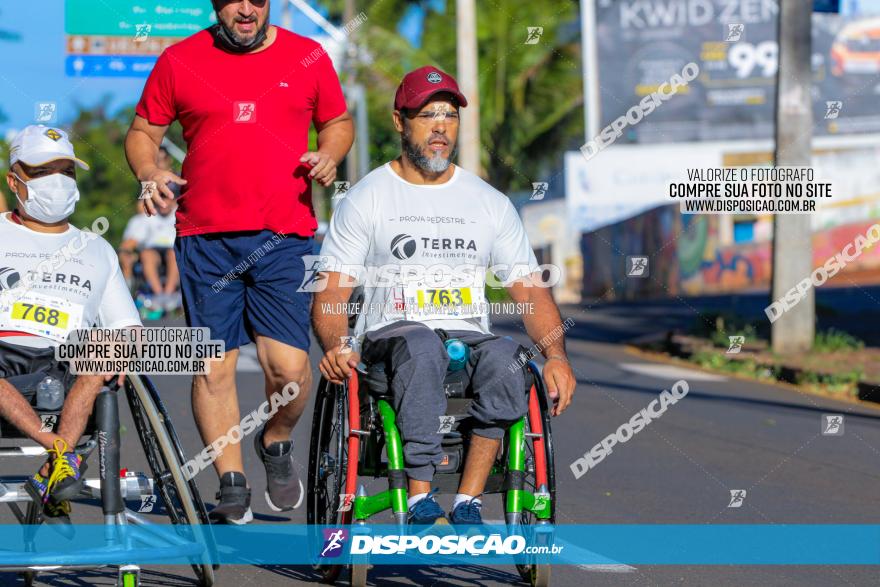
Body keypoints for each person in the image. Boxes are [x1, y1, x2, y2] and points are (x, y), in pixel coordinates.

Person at [313, 66, 576, 527]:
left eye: (450, 116)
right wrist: (337, 345)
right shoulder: (366, 198)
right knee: (421, 347)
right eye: (427, 114)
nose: (440, 126)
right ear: (400, 121)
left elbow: (530, 293)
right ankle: (418, 498)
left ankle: (468, 501)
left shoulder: (488, 202)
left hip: (467, 336)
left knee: (508, 361)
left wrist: (555, 355)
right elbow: (332, 292)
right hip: (391, 338)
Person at [124, 0, 354, 524]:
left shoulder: (307, 55)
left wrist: (331, 153)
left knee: (290, 370)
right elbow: (142, 132)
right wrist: (148, 171)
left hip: (285, 235)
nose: (245, 9)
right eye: (233, 0)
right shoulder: (180, 60)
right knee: (213, 367)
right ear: (215, 5)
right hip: (204, 237)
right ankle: (231, 480)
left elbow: (337, 120)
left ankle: (275, 443)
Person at [0, 125, 142, 522]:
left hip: (65, 363)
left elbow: (127, 326)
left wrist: (121, 350)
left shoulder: (96, 248)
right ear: (15, 181)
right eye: (44, 172)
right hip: (4, 355)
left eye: (66, 170)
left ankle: (55, 467)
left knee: (108, 348)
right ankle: (60, 458)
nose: (58, 182)